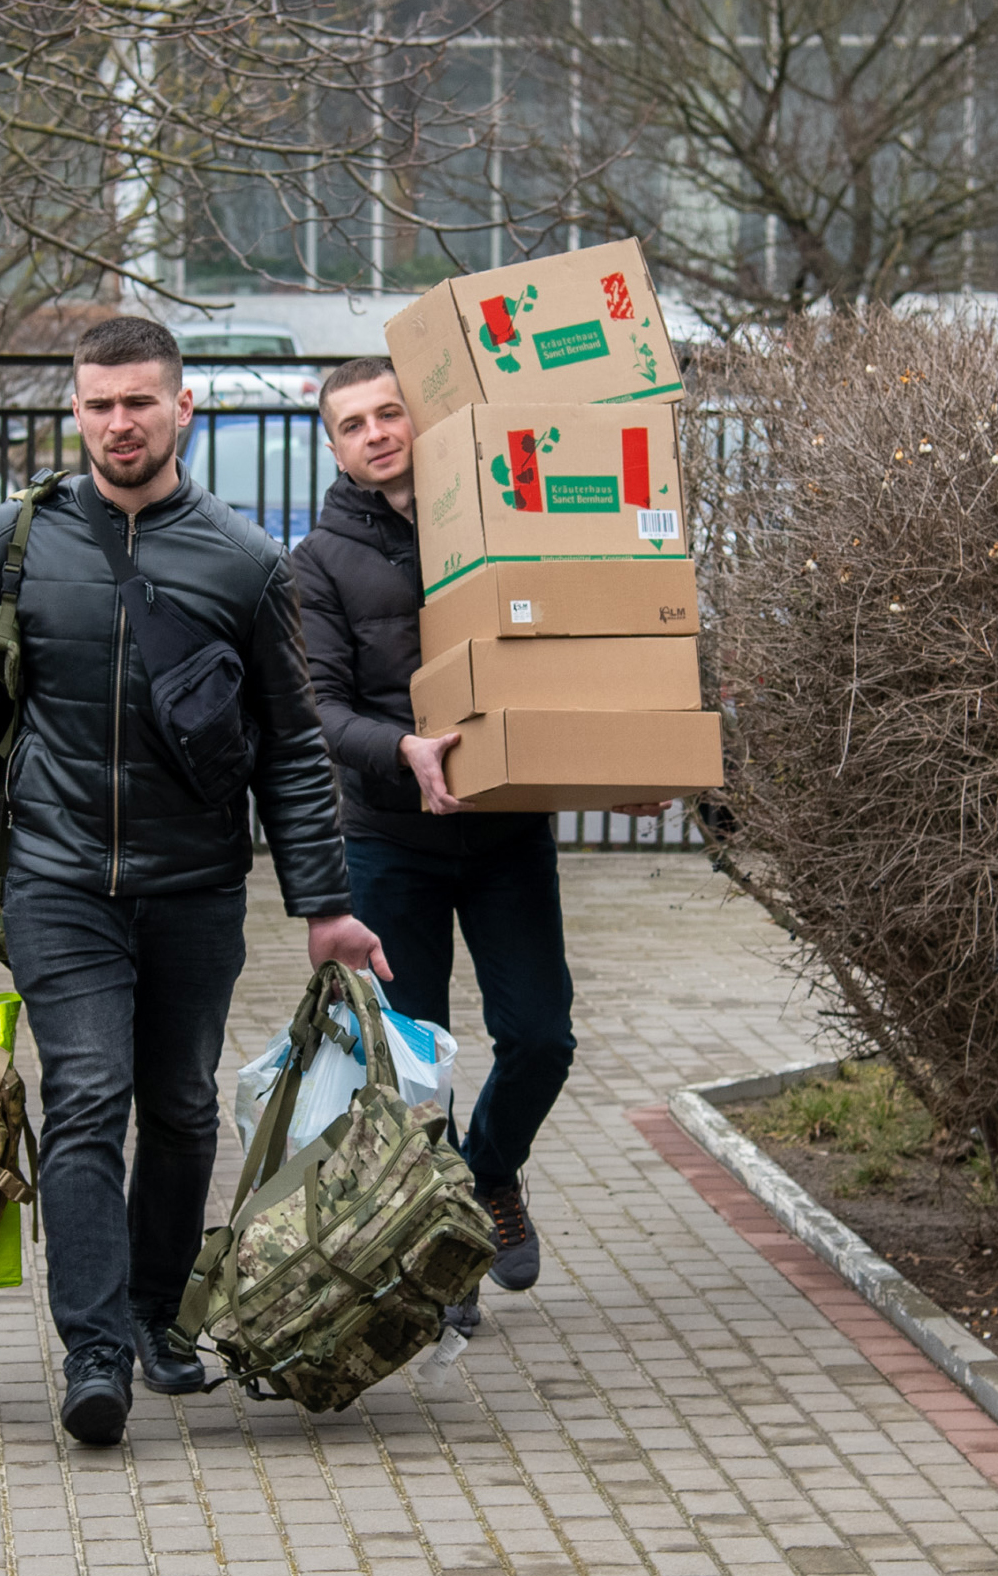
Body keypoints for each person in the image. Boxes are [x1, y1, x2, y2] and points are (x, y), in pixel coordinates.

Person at [0, 317, 389, 1447]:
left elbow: (294, 747)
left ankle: (159, 1315)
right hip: (59, 880)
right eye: (100, 403)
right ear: (77, 410)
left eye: (139, 402)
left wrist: (327, 906)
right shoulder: (15, 544)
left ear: (181, 409)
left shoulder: (248, 564)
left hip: (197, 884)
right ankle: (94, 1350)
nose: (119, 423)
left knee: (182, 1106)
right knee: (89, 1097)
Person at [292, 356, 668, 1332]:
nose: (376, 433)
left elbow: (571, 658)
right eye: (351, 424)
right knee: (417, 1066)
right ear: (332, 445)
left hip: (506, 834)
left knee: (542, 1034)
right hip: (388, 840)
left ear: (420, 420)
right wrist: (403, 750)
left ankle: (489, 1176)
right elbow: (317, 710)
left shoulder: (506, 528)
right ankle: (439, 1245)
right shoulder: (319, 562)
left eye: (389, 413)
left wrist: (611, 769)